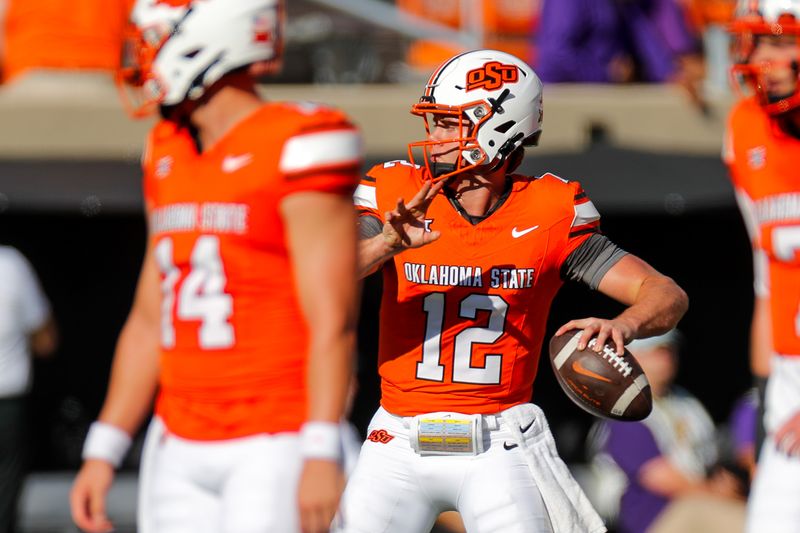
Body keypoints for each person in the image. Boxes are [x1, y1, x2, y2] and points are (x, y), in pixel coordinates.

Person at [341, 48, 688, 533]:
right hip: (395, 439)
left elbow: (665, 293)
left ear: (498, 127)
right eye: (434, 122)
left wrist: (623, 325)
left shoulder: (547, 210)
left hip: (498, 443)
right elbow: (324, 275)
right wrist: (385, 244)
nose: (433, 137)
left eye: (448, 123)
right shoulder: (397, 192)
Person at [68, 1, 363, 532]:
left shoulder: (300, 141)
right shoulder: (166, 147)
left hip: (276, 435)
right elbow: (148, 314)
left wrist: (321, 445)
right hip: (178, 436)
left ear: (209, 41)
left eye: (155, 41)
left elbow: (332, 319)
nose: (146, 58)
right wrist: (104, 446)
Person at [725, 1, 800, 531]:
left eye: (784, 41)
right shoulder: (745, 125)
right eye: (762, 42)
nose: (769, 59)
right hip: (788, 368)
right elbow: (766, 275)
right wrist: (763, 388)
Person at [586, 331, 745, 533]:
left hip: (696, 503)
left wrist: (725, 485)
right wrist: (717, 494)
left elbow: (712, 456)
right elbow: (662, 479)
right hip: (652, 519)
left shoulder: (685, 402)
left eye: (670, 351)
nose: (666, 358)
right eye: (657, 352)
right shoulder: (625, 412)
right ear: (632, 358)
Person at [0, 245, 57, 533]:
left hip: (9, 402)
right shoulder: (10, 265)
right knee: (4, 496)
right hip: (7, 403)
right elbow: (46, 340)